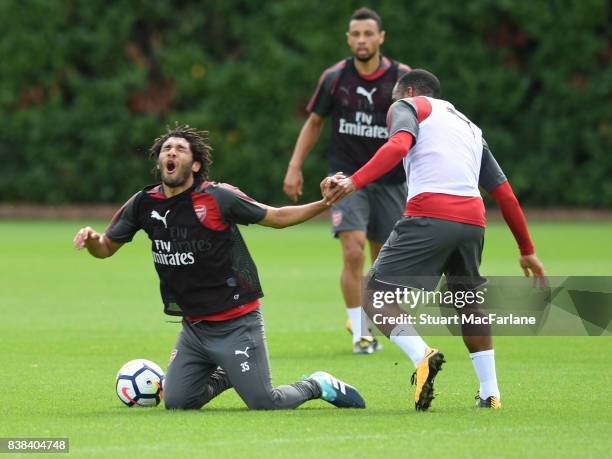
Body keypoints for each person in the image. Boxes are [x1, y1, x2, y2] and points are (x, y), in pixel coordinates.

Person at [73, 125, 365, 411]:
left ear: (195, 164)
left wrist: (326, 203)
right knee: (177, 402)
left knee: (264, 402)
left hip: (237, 323)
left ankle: (317, 384)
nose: (171, 153)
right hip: (194, 329)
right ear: (160, 161)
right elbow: (106, 248)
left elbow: (276, 217)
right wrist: (92, 242)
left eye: (180, 149)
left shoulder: (217, 197)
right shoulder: (143, 203)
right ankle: (230, 372)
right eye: (166, 149)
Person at [326, 69, 546, 410]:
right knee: (467, 301)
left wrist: (352, 183)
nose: (392, 110)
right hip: (473, 220)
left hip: (430, 212)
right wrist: (527, 250)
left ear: (410, 91)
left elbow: (398, 145)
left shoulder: (408, 105)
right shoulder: (471, 128)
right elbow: (505, 195)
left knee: (373, 293)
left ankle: (421, 355)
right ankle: (490, 393)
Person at [283, 7, 411, 354]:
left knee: (382, 260)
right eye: (355, 34)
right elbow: (314, 123)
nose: (362, 40)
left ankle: (366, 314)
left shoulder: (402, 79)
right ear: (348, 39)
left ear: (381, 37)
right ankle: (360, 334)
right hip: (345, 178)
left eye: (368, 34)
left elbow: (421, 129)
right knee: (353, 251)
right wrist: (295, 166)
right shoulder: (335, 77)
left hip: (390, 180)